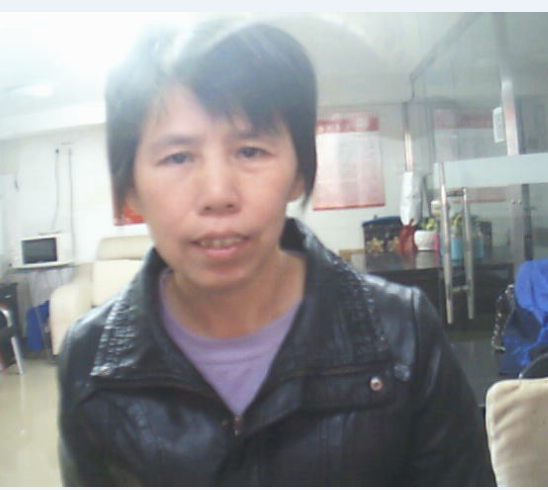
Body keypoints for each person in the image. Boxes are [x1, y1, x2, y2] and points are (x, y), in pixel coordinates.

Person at [57, 19, 495, 486]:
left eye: (250, 151)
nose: (218, 194)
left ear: (299, 173)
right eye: (178, 157)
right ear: (130, 190)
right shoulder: (90, 360)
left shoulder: (403, 332)